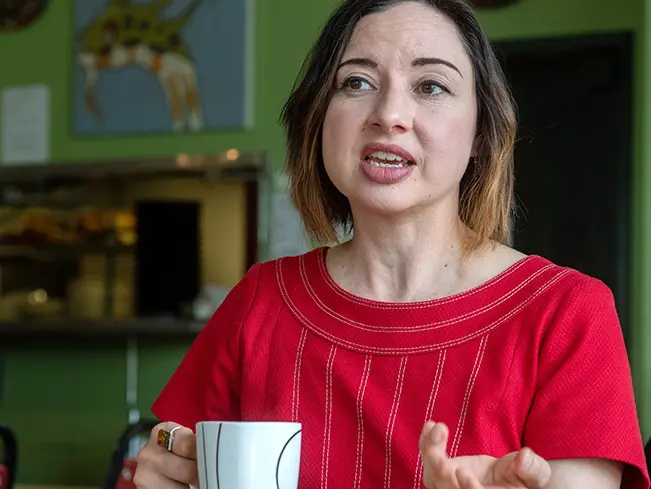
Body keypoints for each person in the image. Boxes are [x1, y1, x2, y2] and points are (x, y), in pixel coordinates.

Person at [133, 0, 650, 487]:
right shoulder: (260, 301)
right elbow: (163, 457)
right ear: (318, 120)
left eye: (431, 86)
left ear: (480, 133)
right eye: (356, 81)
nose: (389, 114)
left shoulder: (567, 313)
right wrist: (155, 472)